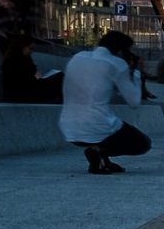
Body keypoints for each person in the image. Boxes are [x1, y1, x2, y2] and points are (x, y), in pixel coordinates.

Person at [60, 30, 152, 174]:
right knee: (143, 143)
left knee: (107, 125)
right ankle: (99, 150)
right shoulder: (117, 63)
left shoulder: (77, 57)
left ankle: (101, 158)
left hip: (68, 128)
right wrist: (136, 73)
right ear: (121, 51)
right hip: (98, 127)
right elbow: (134, 102)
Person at [0, 32, 62, 103]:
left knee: (58, 77)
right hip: (22, 94)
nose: (31, 52)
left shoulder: (24, 59)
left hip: (28, 90)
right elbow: (26, 81)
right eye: (30, 48)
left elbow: (34, 76)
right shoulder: (15, 61)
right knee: (59, 77)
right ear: (23, 46)